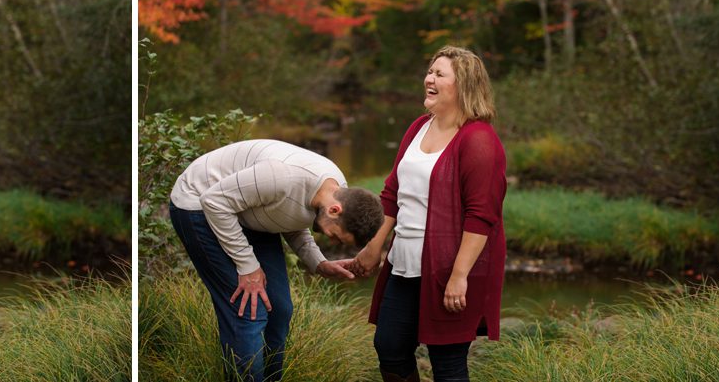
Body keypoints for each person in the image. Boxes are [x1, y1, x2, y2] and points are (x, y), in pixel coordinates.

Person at [349, 45, 508, 382]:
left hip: (449, 267)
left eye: (439, 74)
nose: (429, 79)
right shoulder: (419, 127)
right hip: (403, 264)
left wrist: (459, 275)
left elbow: (481, 217)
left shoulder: (479, 140)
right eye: (429, 72)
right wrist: (375, 245)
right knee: (389, 347)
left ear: (463, 85)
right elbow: (392, 193)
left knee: (447, 363)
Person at [167, 139, 385, 381]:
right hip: (200, 203)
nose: (333, 242)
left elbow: (290, 217)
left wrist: (319, 263)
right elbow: (214, 202)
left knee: (279, 309)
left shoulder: (335, 191)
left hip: (245, 211)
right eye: (336, 236)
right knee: (249, 311)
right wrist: (248, 267)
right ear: (335, 210)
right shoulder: (281, 176)